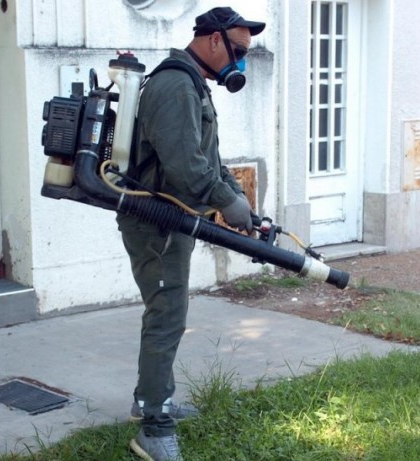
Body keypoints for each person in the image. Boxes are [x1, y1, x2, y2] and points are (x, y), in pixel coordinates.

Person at [116, 6, 266, 461]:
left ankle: (152, 398)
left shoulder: (192, 83)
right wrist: (225, 200)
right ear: (213, 40)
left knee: (169, 309)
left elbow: (206, 156)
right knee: (166, 314)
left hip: (170, 218)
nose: (239, 65)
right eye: (238, 52)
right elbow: (186, 167)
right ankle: (153, 427)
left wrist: (234, 196)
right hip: (154, 221)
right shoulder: (175, 85)